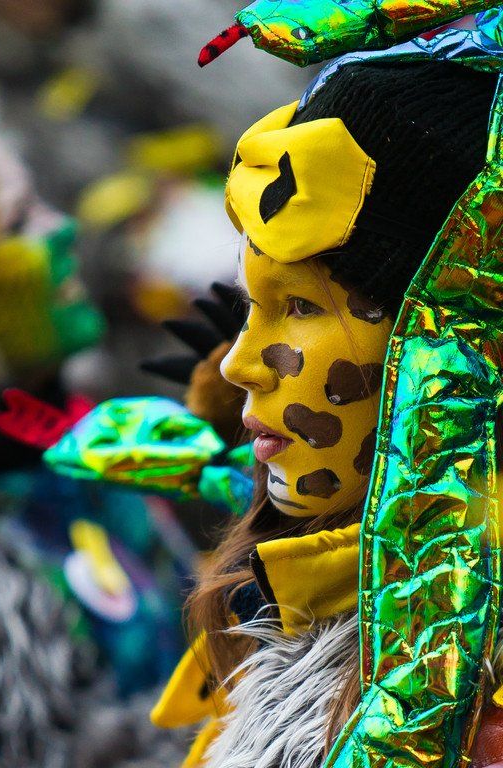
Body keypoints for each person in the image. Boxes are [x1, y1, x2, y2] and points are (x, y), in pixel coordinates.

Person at [151, 60, 503, 768]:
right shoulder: (285, 602)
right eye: (251, 304)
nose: (236, 364)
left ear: (460, 353)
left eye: (302, 305)